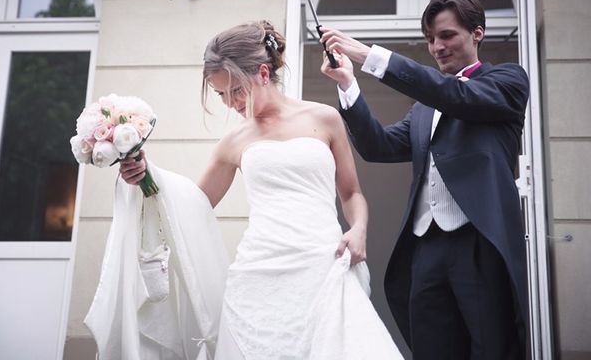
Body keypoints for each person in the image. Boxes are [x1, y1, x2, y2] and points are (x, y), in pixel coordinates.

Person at [120, 20, 403, 359]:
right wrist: (147, 174)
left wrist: (358, 230)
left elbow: (351, 193)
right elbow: (193, 205)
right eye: (221, 94)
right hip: (259, 274)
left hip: (323, 263)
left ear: (264, 74)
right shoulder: (234, 142)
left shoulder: (325, 118)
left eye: (236, 90)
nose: (229, 103)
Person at [320, 0, 529, 360]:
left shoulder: (507, 82)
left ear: (477, 33)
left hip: (478, 242)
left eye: (447, 35)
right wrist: (348, 83)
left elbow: (455, 96)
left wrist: (369, 56)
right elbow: (378, 147)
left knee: (491, 347)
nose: (437, 46)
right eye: (431, 39)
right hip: (424, 248)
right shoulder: (423, 109)